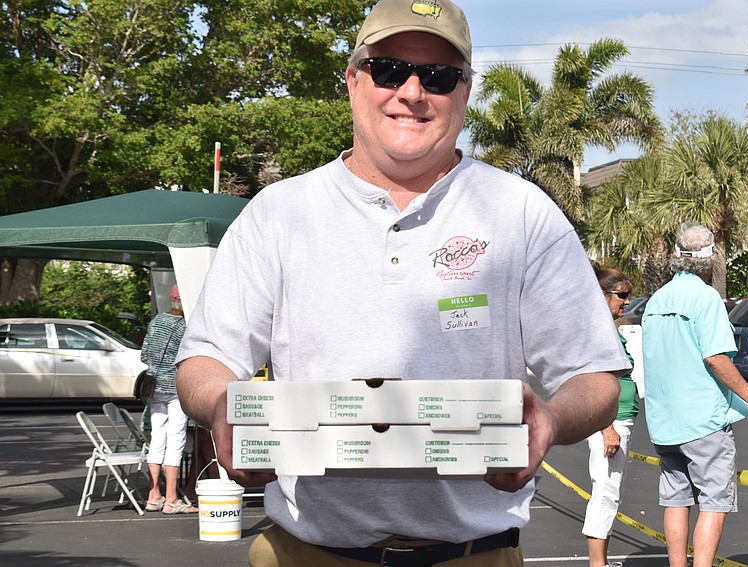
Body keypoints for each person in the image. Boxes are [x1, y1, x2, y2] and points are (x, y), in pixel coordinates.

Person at [176, 0, 630, 565]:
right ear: (353, 81)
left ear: (464, 93)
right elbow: (205, 359)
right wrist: (223, 404)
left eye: (438, 77)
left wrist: (553, 420)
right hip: (305, 553)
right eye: (389, 68)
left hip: (475, 555)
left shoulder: (521, 212)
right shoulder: (279, 213)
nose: (412, 92)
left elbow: (594, 376)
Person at [641, 222, 748, 567]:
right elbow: (716, 357)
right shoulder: (706, 299)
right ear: (709, 258)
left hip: (664, 421)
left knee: (676, 498)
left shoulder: (657, 300)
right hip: (702, 420)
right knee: (714, 501)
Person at [583, 267, 640, 567]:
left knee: (610, 492)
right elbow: (593, 379)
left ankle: (600, 562)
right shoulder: (598, 330)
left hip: (619, 420)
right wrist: (607, 428)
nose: (627, 302)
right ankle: (597, 564)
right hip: (611, 421)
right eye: (622, 295)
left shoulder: (609, 328)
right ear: (603, 296)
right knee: (605, 493)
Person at [141, 284, 197, 514]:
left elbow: (144, 354)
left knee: (157, 437)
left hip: (154, 387)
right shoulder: (186, 326)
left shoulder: (156, 322)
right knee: (176, 439)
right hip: (175, 387)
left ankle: (153, 494)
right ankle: (172, 498)